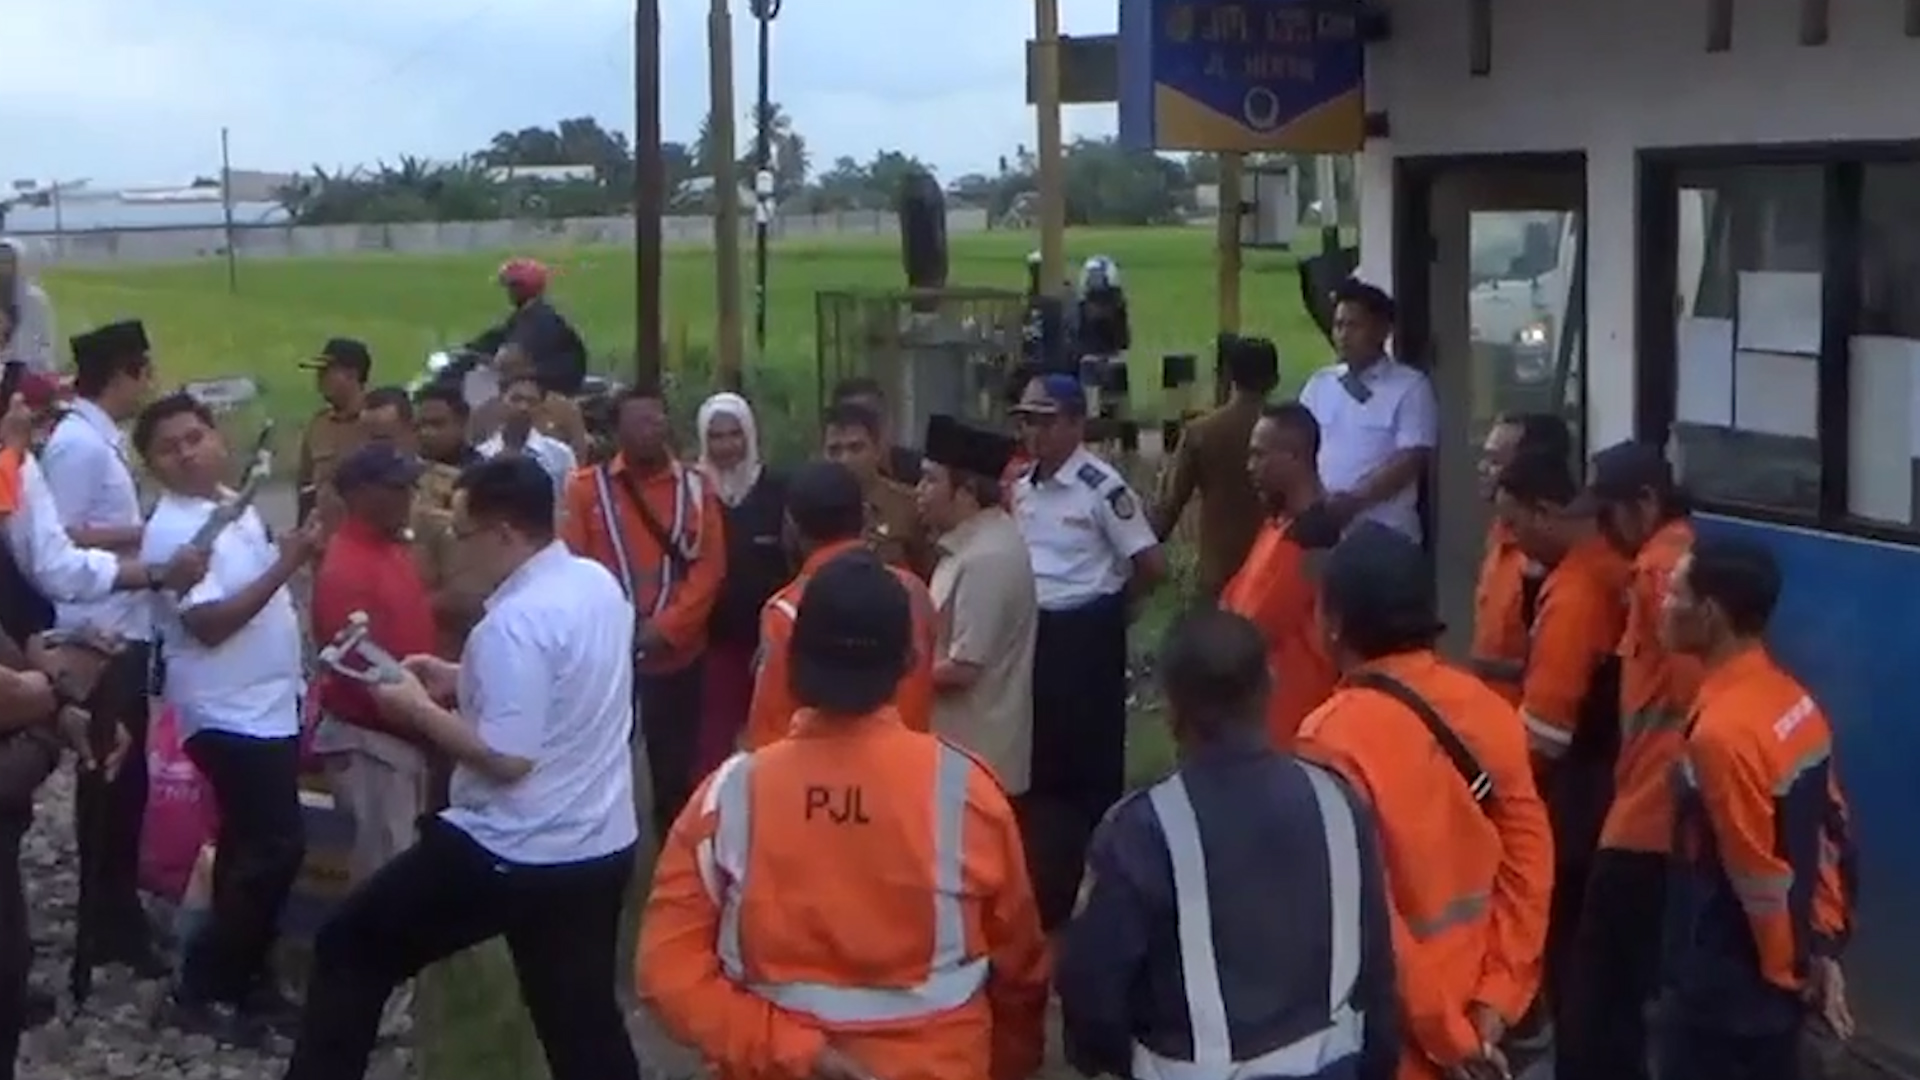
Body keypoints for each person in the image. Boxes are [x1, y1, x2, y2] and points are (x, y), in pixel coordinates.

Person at [286, 456, 642, 1080]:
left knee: (350, 948)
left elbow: (508, 758)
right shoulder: (595, 584)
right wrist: (460, 679)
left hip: (511, 847)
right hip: (597, 843)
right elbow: (563, 688)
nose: (456, 547)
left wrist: (417, 709)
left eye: (463, 532)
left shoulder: (513, 625)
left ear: (504, 532)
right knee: (580, 1020)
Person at [638, 552, 1049, 1080]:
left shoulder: (728, 797)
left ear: (791, 660)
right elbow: (1021, 970)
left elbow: (667, 973)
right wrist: (1012, 1060)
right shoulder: (969, 795)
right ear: (909, 662)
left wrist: (790, 1049)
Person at [1058, 609, 1400, 1080]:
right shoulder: (1336, 800)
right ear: (1270, 684)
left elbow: (1094, 993)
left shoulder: (1142, 830)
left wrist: (1124, 1061)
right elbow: (1378, 972)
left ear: (1171, 708)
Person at [1294, 524, 1554, 1080]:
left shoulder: (1328, 740)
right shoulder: (1487, 710)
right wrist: (1495, 1000)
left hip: (1398, 1041)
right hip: (1484, 1021)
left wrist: (1448, 1038)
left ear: (1334, 624)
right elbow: (1531, 865)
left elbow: (1370, 913)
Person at [137, 392, 324, 1044]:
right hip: (227, 710)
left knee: (249, 846)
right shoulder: (175, 531)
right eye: (170, 448)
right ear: (153, 466)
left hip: (268, 702)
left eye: (195, 437)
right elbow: (209, 623)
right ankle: (204, 982)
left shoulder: (230, 504)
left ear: (217, 437)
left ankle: (249, 982)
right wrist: (289, 564)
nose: (188, 453)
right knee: (278, 846)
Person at [1654, 538, 1854, 1080]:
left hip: (1728, 988)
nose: (1662, 605)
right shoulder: (1794, 702)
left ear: (1710, 614)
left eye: (1674, 593)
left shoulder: (1722, 734)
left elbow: (1755, 874)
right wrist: (1821, 948)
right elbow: (1829, 832)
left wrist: (1788, 974)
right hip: (1775, 978)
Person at [1010, 372, 1164, 929]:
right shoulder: (1021, 488)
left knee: (1091, 760)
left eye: (1046, 422)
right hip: (1037, 630)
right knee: (1040, 757)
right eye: (1027, 421)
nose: (1035, 433)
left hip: (1087, 629)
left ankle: (1101, 874)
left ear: (1076, 424)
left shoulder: (1101, 488)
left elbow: (1150, 564)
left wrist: (1115, 610)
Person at [37, 319, 167, 981]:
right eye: (144, 373)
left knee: (127, 784)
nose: (148, 386)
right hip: (98, 633)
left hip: (123, 625)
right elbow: (54, 538)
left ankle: (117, 911)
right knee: (108, 785)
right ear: (125, 373)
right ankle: (102, 921)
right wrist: (143, 534)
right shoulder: (77, 446)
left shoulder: (99, 439)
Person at [1492, 449, 1631, 1033]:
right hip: (1617, 787)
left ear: (1546, 512)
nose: (1512, 540)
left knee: (1572, 961)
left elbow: (1544, 738)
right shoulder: (1614, 563)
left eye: (1515, 523)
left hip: (1580, 803)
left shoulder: (1574, 594)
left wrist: (1485, 795)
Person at [560, 387, 725, 838]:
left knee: (675, 771)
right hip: (609, 657)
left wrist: (666, 628)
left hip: (678, 657)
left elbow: (710, 569)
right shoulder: (585, 489)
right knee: (604, 766)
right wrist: (617, 631)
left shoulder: (696, 488)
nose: (651, 431)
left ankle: (673, 852)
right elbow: (574, 567)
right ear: (616, 432)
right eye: (638, 423)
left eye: (657, 420)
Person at [308, 444, 441, 882]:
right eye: (397, 487)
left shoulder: (388, 549)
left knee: (401, 865)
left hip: (401, 737)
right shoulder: (347, 567)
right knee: (383, 876)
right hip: (372, 742)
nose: (409, 496)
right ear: (361, 494)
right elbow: (355, 676)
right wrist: (423, 720)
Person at [745, 461, 935, 751]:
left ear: (791, 526)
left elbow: (770, 730)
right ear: (864, 516)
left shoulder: (785, 611)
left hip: (824, 772)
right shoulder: (914, 592)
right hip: (915, 765)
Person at [916, 415, 1036, 796]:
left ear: (966, 491)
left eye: (931, 480)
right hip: (959, 758)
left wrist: (896, 677)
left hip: (977, 765)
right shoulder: (968, 545)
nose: (919, 492)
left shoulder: (987, 557)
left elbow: (965, 666)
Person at [1220, 402, 1341, 749]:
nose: (1250, 466)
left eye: (1260, 455)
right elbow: (1232, 597)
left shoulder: (1312, 536)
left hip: (1292, 722)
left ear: (1294, 457)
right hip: (1262, 714)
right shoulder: (1280, 524)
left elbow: (1255, 626)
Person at [694, 392, 788, 778]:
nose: (726, 446)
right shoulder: (692, 491)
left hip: (770, 643)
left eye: (735, 434)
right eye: (716, 437)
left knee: (771, 743)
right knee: (713, 747)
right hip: (711, 644)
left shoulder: (777, 489)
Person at [1297, 280, 1437, 541]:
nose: (1343, 335)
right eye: (1338, 325)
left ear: (1383, 330)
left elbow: (1411, 458)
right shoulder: (1320, 384)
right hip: (1325, 530)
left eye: (1354, 326)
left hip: (1387, 533)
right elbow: (1297, 445)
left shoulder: (1410, 387)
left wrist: (1353, 502)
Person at [1151, 334, 1280, 598]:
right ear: (1274, 380)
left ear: (1229, 376)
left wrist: (1142, 548)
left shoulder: (1202, 432)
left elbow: (1171, 504)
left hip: (1219, 567)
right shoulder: (1288, 432)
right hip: (1273, 565)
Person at [1468, 414, 1573, 703]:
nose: (1483, 468)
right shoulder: (1499, 532)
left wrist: (1498, 669)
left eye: (1496, 461)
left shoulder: (1548, 552)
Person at [821, 400, 933, 577]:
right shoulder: (812, 508)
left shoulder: (910, 506)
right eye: (834, 450)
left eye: (856, 448)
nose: (845, 460)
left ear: (878, 450)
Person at [469, 257, 587, 397]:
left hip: (552, 389)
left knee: (503, 394)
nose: (509, 292)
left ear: (523, 288)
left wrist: (491, 362)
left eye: (512, 287)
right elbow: (494, 338)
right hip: (539, 382)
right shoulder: (524, 315)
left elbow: (510, 358)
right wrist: (468, 351)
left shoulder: (540, 318)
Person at [296, 337, 374, 525]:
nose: (319, 379)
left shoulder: (377, 421)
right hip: (325, 532)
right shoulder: (318, 425)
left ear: (352, 375)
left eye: (327, 372)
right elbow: (305, 487)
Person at [479, 371, 577, 494]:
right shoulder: (483, 455)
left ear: (541, 407)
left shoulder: (560, 455)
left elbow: (572, 500)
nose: (523, 407)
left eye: (532, 402)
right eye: (516, 399)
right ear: (500, 401)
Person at [830, 375, 922, 485]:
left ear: (888, 422)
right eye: (851, 420)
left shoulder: (921, 469)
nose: (846, 458)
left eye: (871, 419)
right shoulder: (827, 478)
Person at [0, 240, 55, 373]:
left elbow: (46, 341)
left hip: (28, 369)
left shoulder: (35, 298)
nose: (3, 266)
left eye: (8, 261)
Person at [412, 383, 482, 469]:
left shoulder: (484, 473)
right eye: (419, 425)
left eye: (436, 424)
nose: (425, 432)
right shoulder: (408, 470)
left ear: (462, 423)